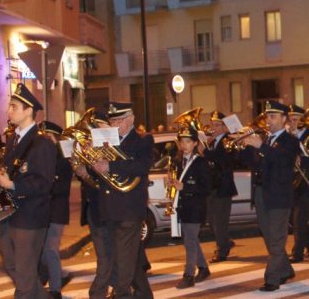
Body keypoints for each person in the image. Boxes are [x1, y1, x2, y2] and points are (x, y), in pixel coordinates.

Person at [0, 84, 57, 299]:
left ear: (28, 111)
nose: (9, 111)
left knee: (25, 277)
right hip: (9, 214)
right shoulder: (12, 140)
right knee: (13, 267)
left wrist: (13, 185)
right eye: (9, 106)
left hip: (30, 216)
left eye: (14, 107)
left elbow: (43, 183)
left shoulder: (42, 143)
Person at [90, 102, 154, 298]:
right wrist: (90, 167)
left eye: (119, 120)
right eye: (112, 120)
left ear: (131, 119)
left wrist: (111, 166)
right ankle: (142, 293)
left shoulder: (143, 140)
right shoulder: (107, 141)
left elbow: (142, 166)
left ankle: (122, 294)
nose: (115, 124)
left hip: (129, 209)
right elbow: (100, 177)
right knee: (120, 259)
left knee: (123, 263)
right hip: (108, 209)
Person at [236, 101, 299, 292]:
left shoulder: (290, 141)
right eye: (267, 117)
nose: (268, 121)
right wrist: (243, 145)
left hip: (279, 196)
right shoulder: (265, 140)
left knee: (277, 239)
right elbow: (248, 163)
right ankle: (286, 269)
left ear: (283, 118)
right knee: (269, 237)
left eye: (272, 117)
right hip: (261, 194)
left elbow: (282, 160)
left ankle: (272, 278)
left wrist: (260, 145)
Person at [77, 111, 119, 299]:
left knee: (106, 256)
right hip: (94, 210)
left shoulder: (114, 150)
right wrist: (81, 170)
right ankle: (119, 287)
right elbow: (90, 182)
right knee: (106, 255)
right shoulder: (90, 150)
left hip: (108, 209)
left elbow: (109, 179)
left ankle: (97, 292)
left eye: (98, 127)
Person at [169, 127, 211, 289]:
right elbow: (178, 182)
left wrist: (184, 187)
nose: (184, 145)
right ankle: (204, 268)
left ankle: (188, 275)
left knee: (190, 241)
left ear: (195, 143)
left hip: (196, 207)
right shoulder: (178, 161)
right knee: (191, 239)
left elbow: (206, 187)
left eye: (188, 141)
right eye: (181, 141)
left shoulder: (200, 162)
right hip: (183, 206)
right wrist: (172, 184)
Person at [37, 121, 73, 299]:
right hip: (43, 210)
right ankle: (58, 275)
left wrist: (44, 186)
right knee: (42, 250)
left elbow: (61, 188)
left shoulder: (63, 160)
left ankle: (56, 289)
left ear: (54, 138)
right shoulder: (43, 157)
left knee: (50, 249)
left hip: (57, 210)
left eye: (47, 137)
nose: (44, 140)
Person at [201, 111, 238, 263]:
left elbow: (225, 161)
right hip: (211, 187)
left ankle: (222, 250)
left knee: (219, 221)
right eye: (212, 124)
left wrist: (205, 153)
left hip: (223, 187)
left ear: (224, 127)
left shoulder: (228, 142)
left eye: (218, 125)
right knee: (211, 220)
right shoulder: (211, 142)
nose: (214, 128)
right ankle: (225, 242)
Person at [286, 104, 309, 263]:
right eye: (290, 119)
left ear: (302, 120)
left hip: (306, 182)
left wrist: (302, 159)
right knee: (294, 220)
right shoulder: (286, 136)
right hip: (290, 182)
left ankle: (297, 253)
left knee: (299, 219)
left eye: (295, 119)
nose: (292, 123)